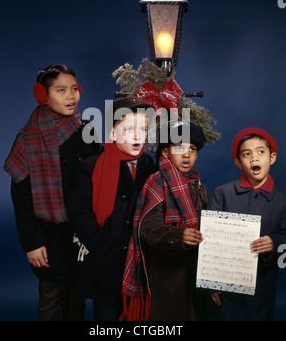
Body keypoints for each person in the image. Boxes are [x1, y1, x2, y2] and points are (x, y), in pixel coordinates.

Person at [3, 65, 100, 321]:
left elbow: (99, 181)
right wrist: (32, 243)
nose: (71, 96)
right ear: (43, 95)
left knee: (77, 298)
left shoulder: (87, 130)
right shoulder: (27, 138)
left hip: (82, 233)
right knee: (50, 298)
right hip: (49, 236)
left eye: (74, 89)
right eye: (61, 90)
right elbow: (21, 199)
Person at [67, 95, 156, 321]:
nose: (137, 135)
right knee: (106, 315)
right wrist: (99, 244)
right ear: (113, 134)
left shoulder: (151, 167)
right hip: (106, 261)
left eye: (143, 129)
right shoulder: (92, 166)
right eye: (128, 129)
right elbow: (80, 212)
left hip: (138, 261)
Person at [121, 120, 209, 321]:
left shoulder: (199, 186)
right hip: (165, 272)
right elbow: (147, 228)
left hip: (193, 269)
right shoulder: (158, 182)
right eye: (179, 147)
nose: (186, 154)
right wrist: (179, 236)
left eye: (192, 149)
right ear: (165, 152)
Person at [207, 128, 286, 321]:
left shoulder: (283, 201)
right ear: (238, 162)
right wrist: (210, 284)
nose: (254, 159)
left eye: (261, 152)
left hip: (262, 290)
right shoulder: (221, 194)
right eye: (246, 154)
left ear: (272, 157)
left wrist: (274, 244)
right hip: (224, 290)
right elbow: (207, 241)